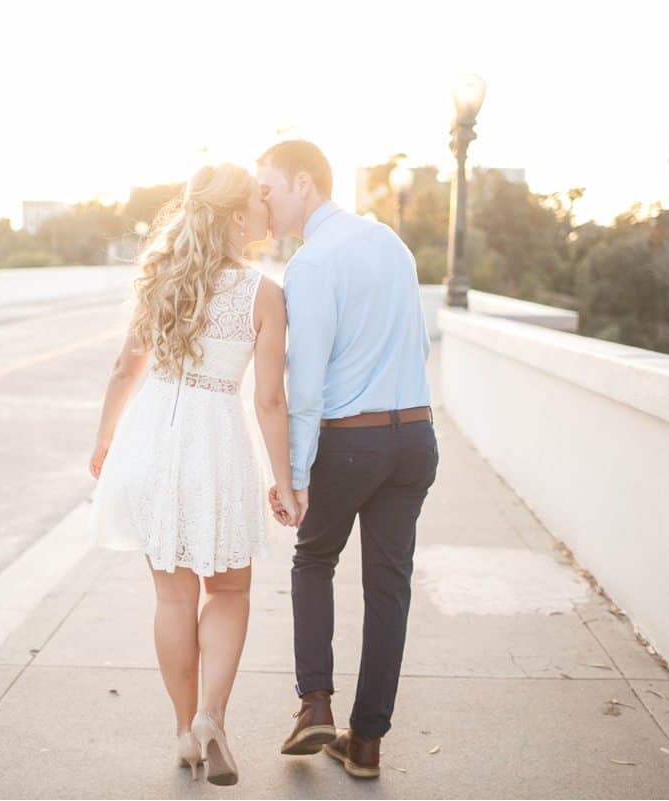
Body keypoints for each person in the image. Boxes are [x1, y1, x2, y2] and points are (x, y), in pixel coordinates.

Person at [88, 162, 299, 786]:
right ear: (238, 217)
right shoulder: (263, 293)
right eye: (259, 201)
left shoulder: (163, 281)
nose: (267, 207)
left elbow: (126, 368)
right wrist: (284, 481)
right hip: (215, 443)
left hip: (152, 438)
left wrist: (104, 440)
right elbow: (268, 401)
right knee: (229, 591)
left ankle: (185, 734)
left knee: (173, 595)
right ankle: (212, 717)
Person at [258, 140, 439, 780]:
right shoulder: (390, 242)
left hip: (352, 440)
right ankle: (365, 744)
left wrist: (296, 474)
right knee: (389, 588)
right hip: (415, 437)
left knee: (313, 560)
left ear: (304, 184)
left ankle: (314, 706)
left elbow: (304, 386)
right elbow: (416, 340)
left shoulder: (311, 264)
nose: (263, 201)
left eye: (269, 188)